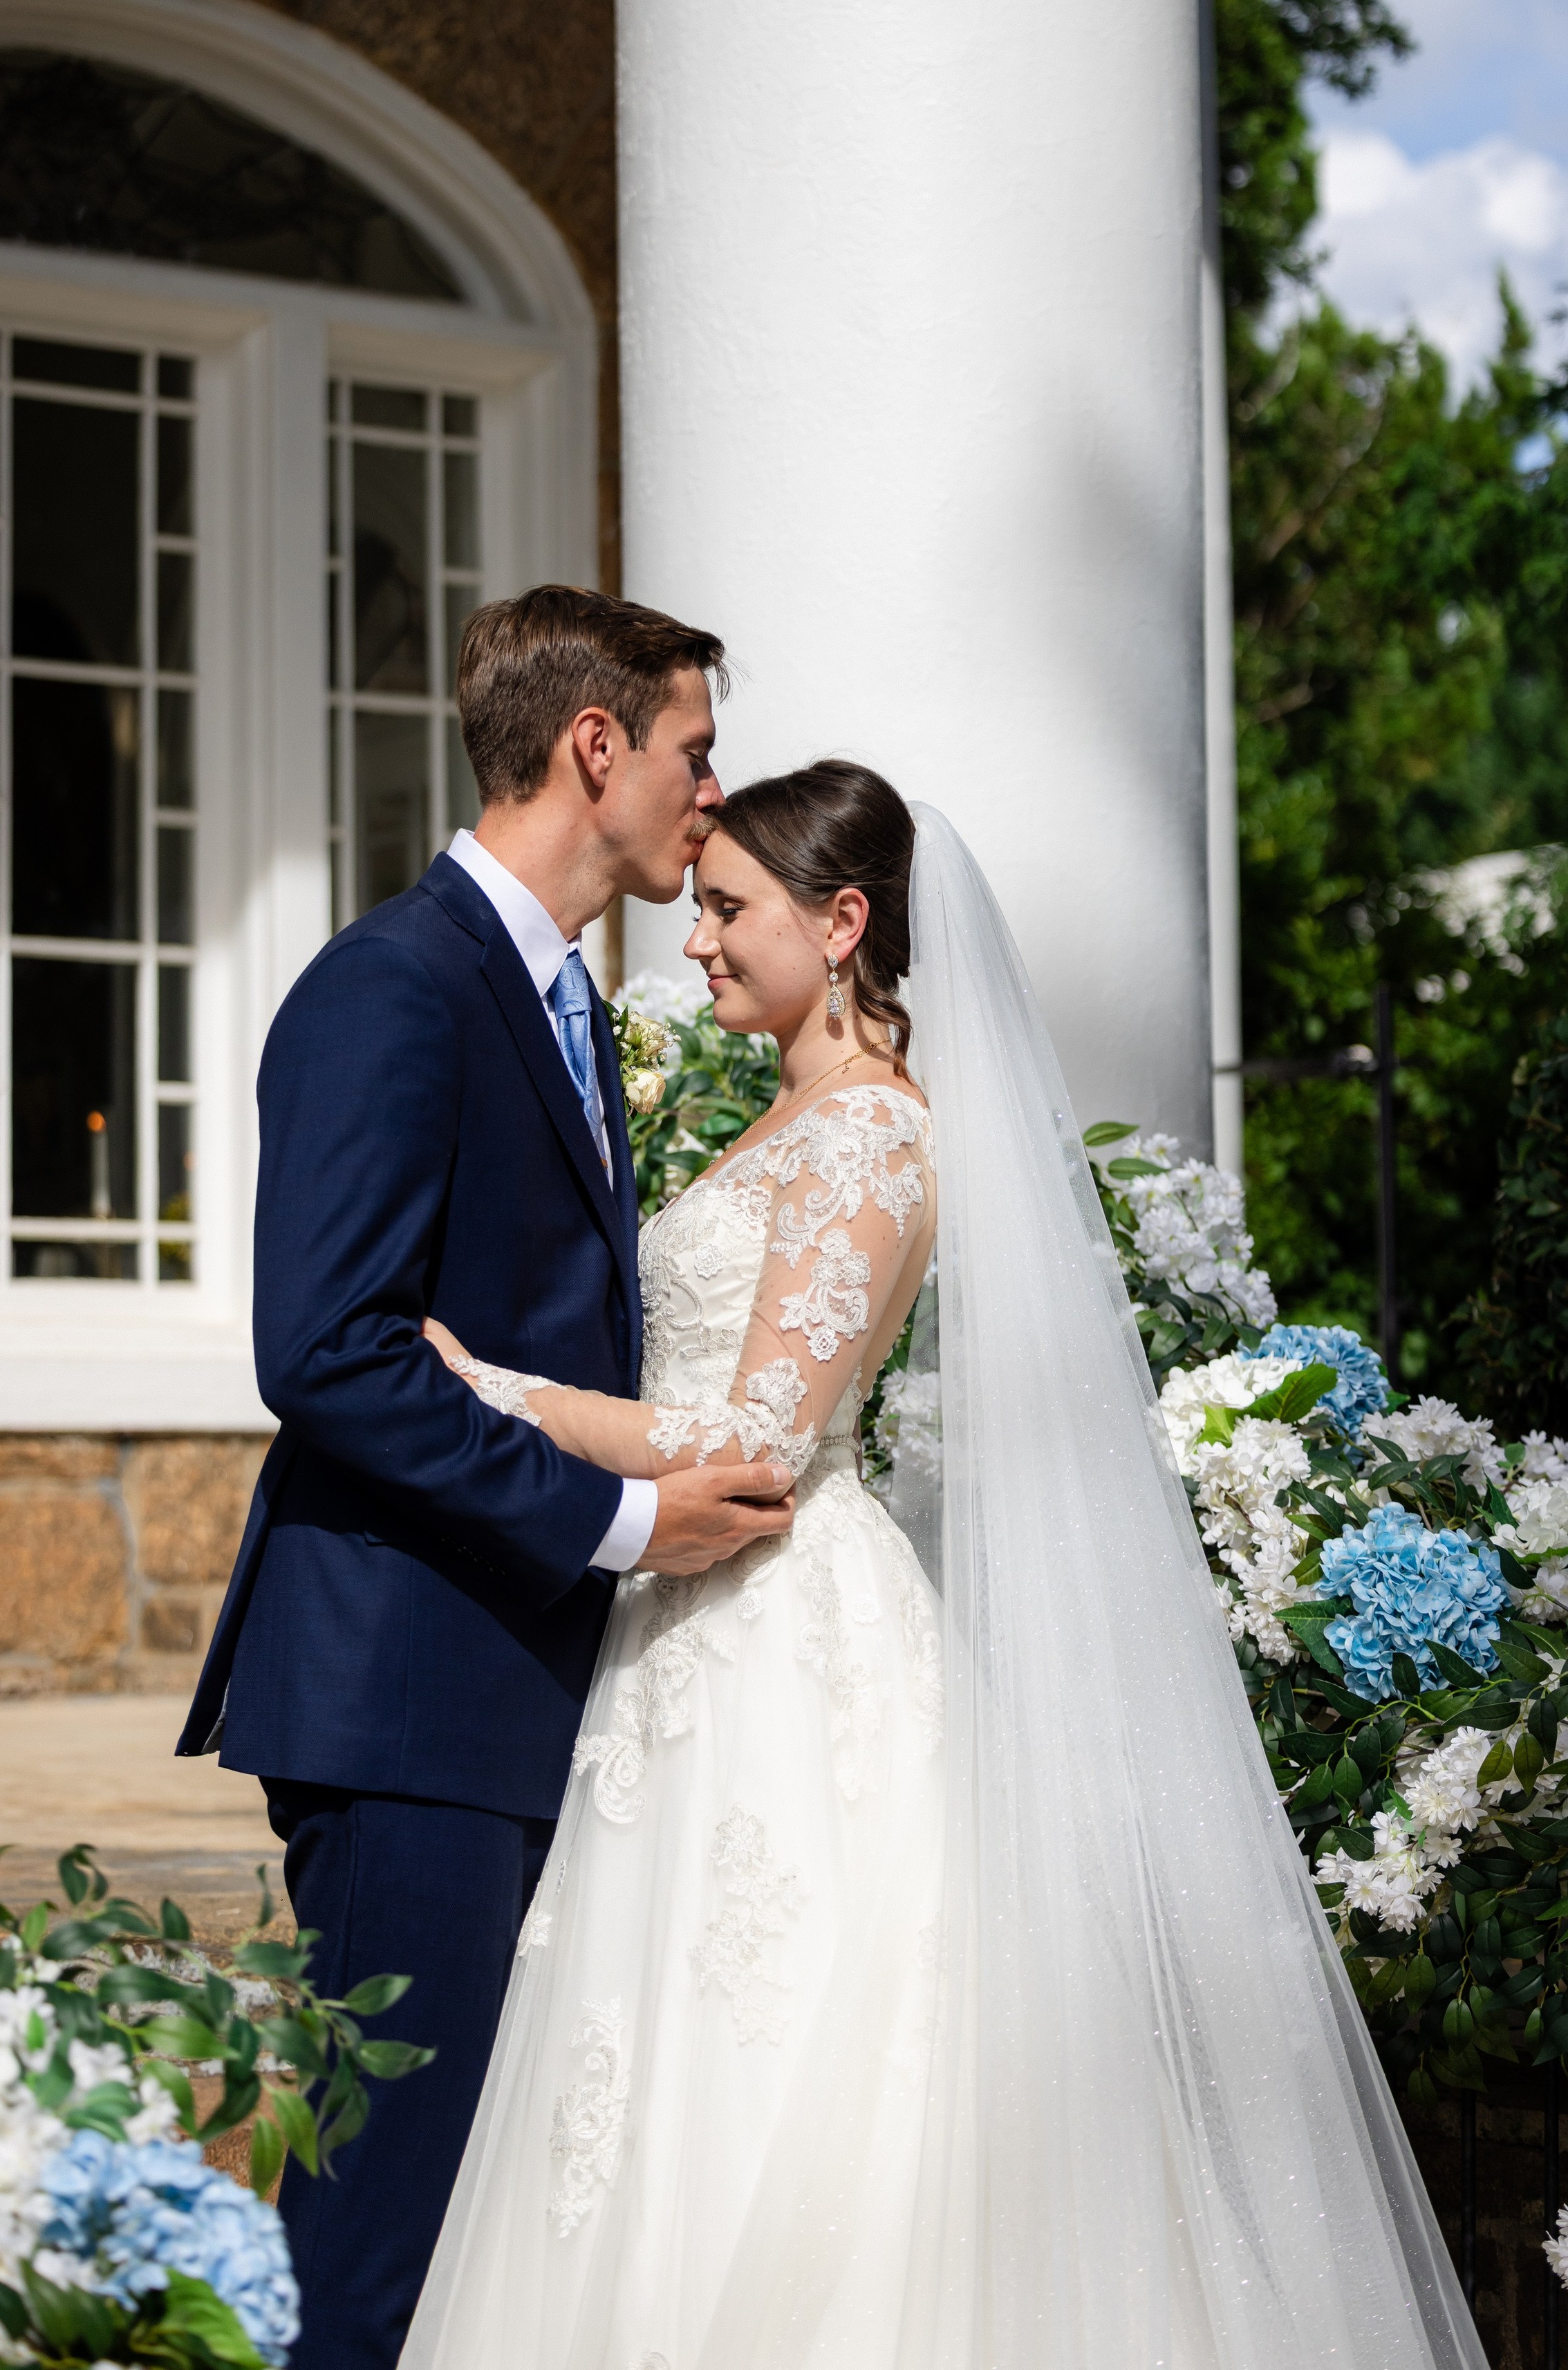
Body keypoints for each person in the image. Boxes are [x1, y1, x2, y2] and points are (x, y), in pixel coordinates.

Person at [402, 764, 1488, 2370]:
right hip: (692, 1631)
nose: (695, 940)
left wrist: (496, 1392)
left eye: (727, 907)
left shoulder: (866, 1131)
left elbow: (763, 1434)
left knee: (799, 2058)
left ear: (840, 921)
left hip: (778, 1629)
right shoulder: (791, 1112)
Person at [176, 586, 796, 2370]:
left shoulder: (560, 997)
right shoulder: (393, 983)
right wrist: (623, 1521)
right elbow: (329, 1349)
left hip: (510, 1701)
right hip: (409, 1706)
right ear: (596, 746)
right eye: (692, 749)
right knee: (377, 2246)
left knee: (480, 2244)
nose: (711, 791)